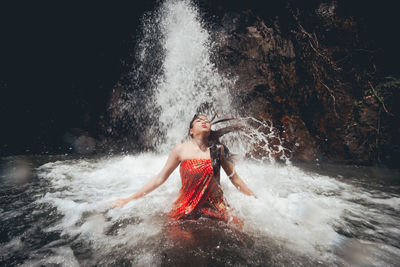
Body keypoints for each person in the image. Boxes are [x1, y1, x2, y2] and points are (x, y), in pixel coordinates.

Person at [111, 114, 256, 225]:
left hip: (216, 206)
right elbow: (160, 178)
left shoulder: (218, 150)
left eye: (206, 120)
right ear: (191, 131)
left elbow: (234, 178)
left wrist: (255, 201)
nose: (204, 121)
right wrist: (129, 199)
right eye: (199, 121)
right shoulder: (180, 150)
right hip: (187, 206)